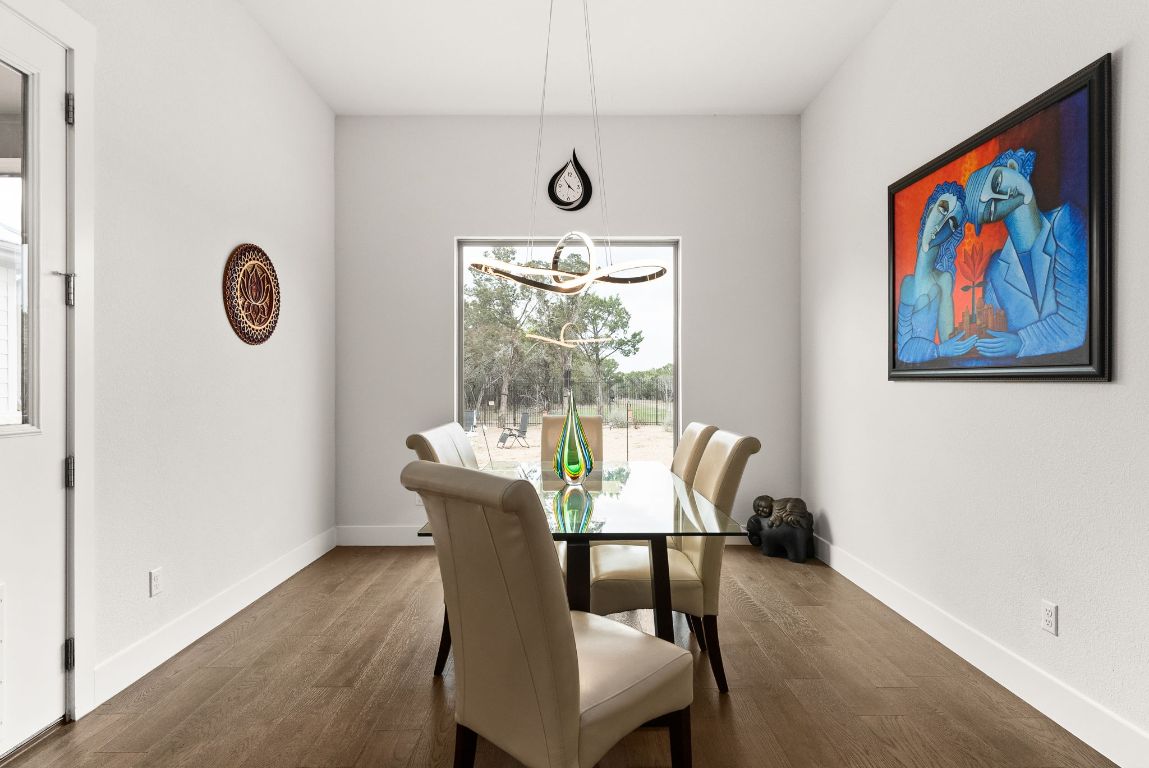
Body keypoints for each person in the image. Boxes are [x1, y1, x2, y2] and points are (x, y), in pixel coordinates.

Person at [964, 149, 1088, 358]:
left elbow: (1074, 326)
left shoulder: (1066, 222)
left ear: (1012, 166)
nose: (1004, 196)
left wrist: (1020, 342)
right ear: (989, 219)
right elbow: (993, 337)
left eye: (997, 182)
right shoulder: (995, 269)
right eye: (991, 207)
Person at [896, 181, 978, 363]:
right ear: (929, 210)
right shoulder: (907, 283)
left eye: (952, 222)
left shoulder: (943, 280)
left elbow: (948, 341)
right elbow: (902, 352)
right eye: (942, 209)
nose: (943, 224)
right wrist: (939, 350)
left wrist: (943, 350)